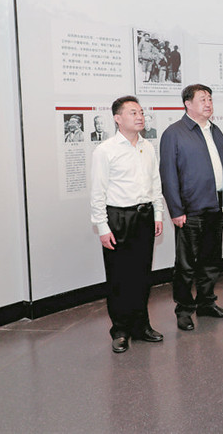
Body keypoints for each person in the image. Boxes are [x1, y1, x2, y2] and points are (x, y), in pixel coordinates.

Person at [89, 96, 164, 353]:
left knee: (142, 275)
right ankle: (120, 330)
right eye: (133, 112)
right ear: (117, 118)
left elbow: (155, 183)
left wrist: (158, 214)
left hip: (145, 216)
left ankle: (141, 326)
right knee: (119, 277)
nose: (140, 116)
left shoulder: (147, 146)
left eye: (141, 112)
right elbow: (97, 193)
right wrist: (102, 227)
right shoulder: (105, 150)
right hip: (118, 218)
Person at [160, 84, 223, 331]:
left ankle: (206, 303)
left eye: (210, 99)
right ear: (187, 104)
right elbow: (168, 175)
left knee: (211, 261)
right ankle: (184, 310)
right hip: (190, 211)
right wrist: (176, 210)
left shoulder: (215, 131)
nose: (208, 103)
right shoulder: (174, 133)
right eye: (202, 99)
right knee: (186, 265)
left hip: (216, 207)